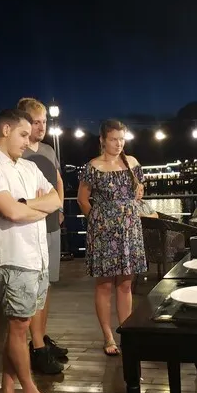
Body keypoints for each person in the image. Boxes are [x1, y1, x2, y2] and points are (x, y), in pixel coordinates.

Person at [0, 108, 62, 393]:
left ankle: (8, 392)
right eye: (23, 134)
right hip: (13, 257)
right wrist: (34, 208)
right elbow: (10, 212)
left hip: (38, 256)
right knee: (18, 326)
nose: (28, 140)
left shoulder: (28, 166)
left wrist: (26, 205)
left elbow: (56, 200)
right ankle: (29, 388)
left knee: (19, 328)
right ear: (6, 130)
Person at [77, 120, 147, 356]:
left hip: (129, 231)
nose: (119, 144)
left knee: (126, 284)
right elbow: (82, 200)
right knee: (105, 285)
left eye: (122, 139)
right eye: (114, 139)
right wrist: (98, 223)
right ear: (103, 140)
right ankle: (108, 336)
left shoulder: (132, 163)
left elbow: (139, 191)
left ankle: (126, 333)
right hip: (103, 234)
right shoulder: (93, 167)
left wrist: (135, 199)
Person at [17, 97, 67, 375]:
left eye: (44, 122)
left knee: (47, 285)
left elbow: (57, 180)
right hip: (30, 225)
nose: (41, 127)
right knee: (35, 286)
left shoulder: (48, 149)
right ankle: (35, 345)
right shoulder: (19, 151)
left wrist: (59, 208)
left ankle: (42, 338)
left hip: (50, 223)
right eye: (35, 122)